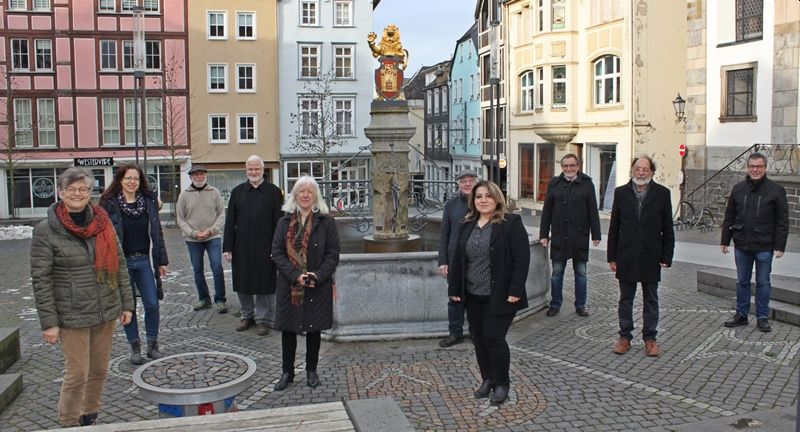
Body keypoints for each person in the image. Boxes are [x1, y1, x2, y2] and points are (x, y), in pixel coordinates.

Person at [31, 167, 134, 427]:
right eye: (71, 189)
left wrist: (126, 303)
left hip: (106, 310)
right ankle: (68, 421)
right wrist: (49, 323)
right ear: (60, 192)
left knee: (99, 370)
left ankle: (89, 415)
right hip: (72, 314)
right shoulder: (46, 230)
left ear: (90, 193)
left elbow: (119, 264)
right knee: (77, 374)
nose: (77, 194)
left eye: (83, 189)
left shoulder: (102, 222)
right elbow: (41, 280)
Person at [448, 180, 530, 405]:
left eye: (488, 196)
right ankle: (488, 378)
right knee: (479, 339)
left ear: (496, 199)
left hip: (501, 294)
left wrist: (516, 289)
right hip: (473, 294)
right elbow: (457, 257)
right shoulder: (467, 224)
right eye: (478, 197)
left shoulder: (510, 222)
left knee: (494, 338)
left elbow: (522, 259)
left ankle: (502, 383)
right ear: (473, 201)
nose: (483, 200)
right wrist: (454, 288)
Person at [271, 176, 341, 390]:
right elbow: (277, 253)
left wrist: (318, 276)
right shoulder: (284, 222)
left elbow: (333, 254)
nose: (305, 195)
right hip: (289, 284)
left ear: (316, 196)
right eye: (301, 191)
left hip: (316, 285)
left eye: (310, 191)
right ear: (295, 195)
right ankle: (287, 372)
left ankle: (311, 370)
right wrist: (295, 275)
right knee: (288, 329)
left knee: (314, 329)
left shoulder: (327, 222)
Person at [100, 163, 169, 365]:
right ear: (120, 180)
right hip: (121, 263)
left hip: (144, 260)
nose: (132, 182)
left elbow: (157, 233)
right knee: (127, 306)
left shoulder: (148, 201)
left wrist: (162, 260)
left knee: (152, 303)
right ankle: (135, 346)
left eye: (136, 178)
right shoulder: (109, 203)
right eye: (128, 178)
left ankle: (152, 344)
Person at [607, 156, 674, 357]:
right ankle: (625, 337)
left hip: (651, 254)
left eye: (645, 169)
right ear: (632, 170)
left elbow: (668, 229)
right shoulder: (620, 193)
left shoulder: (663, 193)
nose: (641, 172)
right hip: (626, 253)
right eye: (638, 169)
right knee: (625, 299)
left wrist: (667, 255)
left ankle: (650, 339)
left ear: (652, 171)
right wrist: (612, 256)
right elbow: (614, 227)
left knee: (651, 299)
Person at [721, 152, 789, 332]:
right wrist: (725, 240)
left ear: (765, 168)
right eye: (752, 166)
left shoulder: (776, 190)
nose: (755, 169)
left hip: (765, 245)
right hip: (742, 243)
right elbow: (730, 216)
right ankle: (741, 315)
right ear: (747, 167)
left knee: (763, 282)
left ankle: (762, 316)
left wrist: (780, 245)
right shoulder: (738, 188)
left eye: (759, 166)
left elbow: (782, 220)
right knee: (742, 281)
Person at [223, 155, 283, 335]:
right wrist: (228, 247)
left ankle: (262, 319)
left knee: (265, 283)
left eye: (257, 169)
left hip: (266, 246)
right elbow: (230, 221)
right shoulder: (237, 192)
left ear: (263, 170)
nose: (254, 172)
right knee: (243, 282)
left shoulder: (273, 192)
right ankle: (246, 315)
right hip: (242, 246)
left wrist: (277, 249)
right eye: (250, 169)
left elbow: (279, 223)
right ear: (246, 171)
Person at [539, 154, 601, 317]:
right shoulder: (554, 184)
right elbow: (547, 211)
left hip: (579, 235)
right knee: (557, 272)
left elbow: (593, 210)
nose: (569, 169)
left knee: (581, 272)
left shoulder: (587, 184)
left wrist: (596, 233)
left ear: (578, 166)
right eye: (566, 166)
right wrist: (544, 234)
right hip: (559, 235)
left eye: (572, 165)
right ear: (562, 167)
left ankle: (581, 304)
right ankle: (555, 303)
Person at [176, 164, 228, 313]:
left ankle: (220, 299)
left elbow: (221, 215)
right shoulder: (184, 195)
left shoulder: (214, 192)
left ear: (206, 176)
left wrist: (211, 230)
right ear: (191, 177)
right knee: (198, 270)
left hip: (213, 237)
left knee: (217, 267)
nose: (199, 177)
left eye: (201, 174)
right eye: (195, 175)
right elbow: (180, 218)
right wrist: (193, 233)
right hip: (193, 239)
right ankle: (204, 298)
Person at [437, 169, 478, 347]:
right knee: (455, 298)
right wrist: (443, 261)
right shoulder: (451, 205)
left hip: (477, 259)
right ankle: (455, 333)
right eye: (463, 181)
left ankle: (476, 332)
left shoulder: (482, 202)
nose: (467, 184)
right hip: (455, 259)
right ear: (458, 184)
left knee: (477, 298)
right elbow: (444, 235)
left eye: (470, 180)